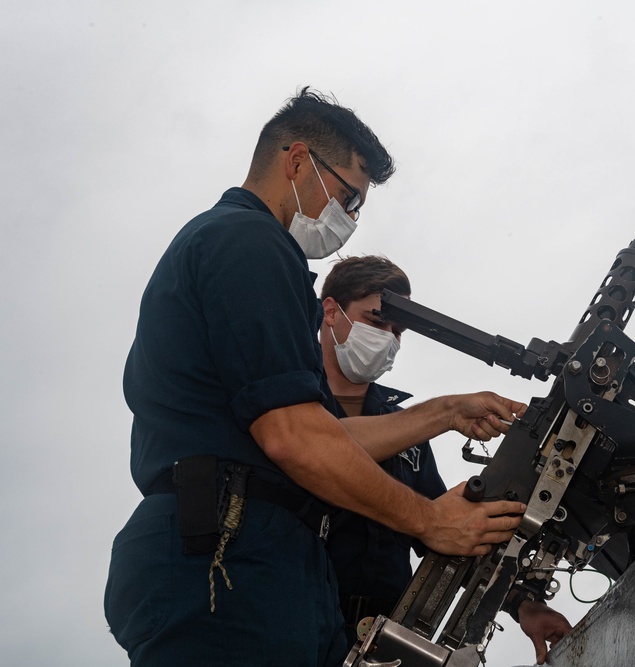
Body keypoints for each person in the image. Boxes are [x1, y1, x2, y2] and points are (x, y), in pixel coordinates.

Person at [104, 88, 528, 667]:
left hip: (260, 561)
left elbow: (319, 434)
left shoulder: (234, 246)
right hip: (225, 562)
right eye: (348, 197)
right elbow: (294, 439)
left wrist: (445, 412)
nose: (348, 220)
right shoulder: (250, 242)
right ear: (298, 160)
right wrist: (429, 519)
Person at [319, 255, 572, 664]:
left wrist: (523, 604)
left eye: (398, 331)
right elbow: (320, 450)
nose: (388, 338)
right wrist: (446, 412)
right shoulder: (286, 410)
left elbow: (446, 532)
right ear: (331, 312)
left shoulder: (407, 432)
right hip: (295, 626)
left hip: (381, 640)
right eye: (376, 321)